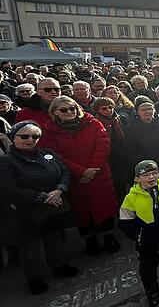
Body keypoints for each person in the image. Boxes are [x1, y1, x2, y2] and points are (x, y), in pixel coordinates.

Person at [0, 121, 79, 294]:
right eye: (25, 136)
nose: (30, 140)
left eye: (35, 136)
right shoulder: (6, 162)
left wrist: (59, 190)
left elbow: (64, 172)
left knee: (54, 238)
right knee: (30, 246)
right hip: (27, 211)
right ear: (14, 138)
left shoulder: (48, 153)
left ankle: (58, 266)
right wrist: (43, 197)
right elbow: (8, 188)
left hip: (53, 205)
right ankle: (33, 278)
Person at [38, 96, 120, 255]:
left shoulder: (93, 123)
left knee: (105, 206)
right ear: (54, 112)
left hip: (99, 174)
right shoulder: (48, 131)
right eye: (63, 110)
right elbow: (54, 155)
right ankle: (90, 239)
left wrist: (92, 169)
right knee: (81, 211)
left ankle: (109, 236)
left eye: (72, 108)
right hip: (73, 178)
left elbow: (103, 145)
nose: (69, 112)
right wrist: (81, 171)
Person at [118, 160, 159, 307]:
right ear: (137, 178)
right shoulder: (131, 197)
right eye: (146, 175)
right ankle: (153, 294)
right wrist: (138, 235)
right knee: (148, 269)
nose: (151, 177)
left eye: (154, 173)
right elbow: (125, 222)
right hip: (147, 241)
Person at [124, 96, 159, 183]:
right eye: (143, 110)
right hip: (143, 169)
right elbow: (130, 149)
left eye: (150, 109)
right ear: (138, 111)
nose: (147, 112)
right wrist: (146, 168)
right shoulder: (130, 127)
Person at [92, 97, 130, 202]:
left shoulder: (119, 119)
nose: (109, 110)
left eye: (110, 107)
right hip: (108, 159)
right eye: (104, 108)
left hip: (123, 158)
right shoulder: (95, 123)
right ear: (97, 110)